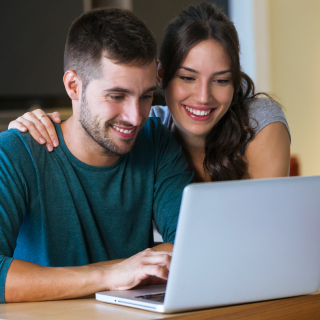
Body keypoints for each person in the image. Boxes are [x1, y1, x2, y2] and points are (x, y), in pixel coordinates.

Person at [0, 8, 193, 303]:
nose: (135, 117)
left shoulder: (156, 141)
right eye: (117, 96)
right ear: (73, 86)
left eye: (145, 96)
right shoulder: (17, 152)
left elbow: (190, 246)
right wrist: (111, 275)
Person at [10, 3, 291, 182]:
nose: (204, 96)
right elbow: (87, 133)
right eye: (187, 77)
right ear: (161, 74)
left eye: (221, 80)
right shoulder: (148, 126)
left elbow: (266, 230)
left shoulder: (258, 121)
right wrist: (25, 133)